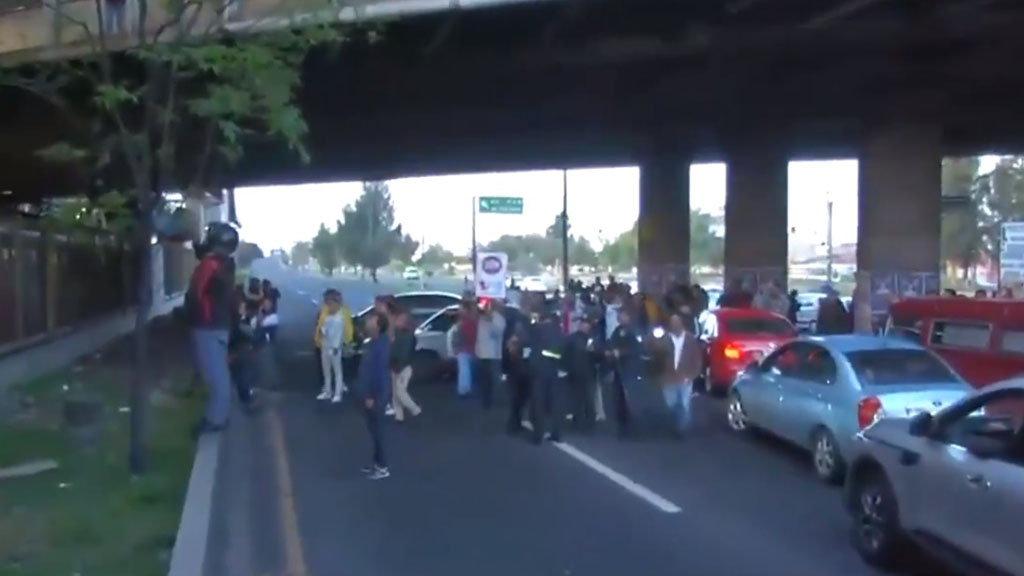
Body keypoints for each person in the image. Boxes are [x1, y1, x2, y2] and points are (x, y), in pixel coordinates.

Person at [185, 222, 239, 436]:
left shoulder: (210, 264)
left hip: (206, 325)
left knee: (216, 377)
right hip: (220, 324)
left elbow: (195, 295)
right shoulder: (227, 264)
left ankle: (214, 420)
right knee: (218, 373)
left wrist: (188, 315)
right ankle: (219, 415)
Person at [524, 295, 567, 444]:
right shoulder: (558, 331)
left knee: (538, 403)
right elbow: (561, 350)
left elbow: (528, 343)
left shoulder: (538, 329)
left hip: (538, 369)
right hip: (553, 369)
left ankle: (538, 435)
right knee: (555, 403)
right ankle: (556, 432)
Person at [358, 312, 392, 480]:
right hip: (370, 393)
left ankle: (382, 466)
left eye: (371, 320)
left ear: (378, 325)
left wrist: (371, 395)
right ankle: (376, 463)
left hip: (375, 394)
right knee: (373, 430)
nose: (367, 322)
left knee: (377, 431)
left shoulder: (380, 346)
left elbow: (378, 373)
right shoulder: (374, 342)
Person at [658, 311, 702, 436]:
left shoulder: (689, 339)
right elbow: (656, 356)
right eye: (672, 322)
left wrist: (691, 375)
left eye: (677, 322)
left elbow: (697, 358)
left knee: (684, 404)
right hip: (668, 378)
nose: (674, 325)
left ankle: (681, 430)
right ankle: (674, 423)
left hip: (685, 377)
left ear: (681, 324)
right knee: (671, 404)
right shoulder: (665, 339)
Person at [606, 306, 642, 439]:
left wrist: (621, 352)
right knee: (619, 400)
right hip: (618, 370)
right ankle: (623, 426)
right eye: (618, 316)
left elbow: (638, 348)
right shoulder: (617, 330)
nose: (619, 318)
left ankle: (634, 429)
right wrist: (609, 352)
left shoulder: (633, 330)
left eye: (621, 316)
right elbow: (611, 343)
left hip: (630, 369)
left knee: (631, 400)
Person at [564, 313, 599, 432]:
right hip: (577, 372)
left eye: (586, 325)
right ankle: (578, 421)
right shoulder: (573, 338)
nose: (585, 327)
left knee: (588, 399)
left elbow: (597, 355)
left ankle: (589, 422)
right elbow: (566, 354)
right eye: (583, 324)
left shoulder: (591, 339)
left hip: (588, 372)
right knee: (577, 399)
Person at [389, 310, 421, 421]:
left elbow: (405, 353)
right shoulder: (398, 334)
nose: (396, 321)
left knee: (400, 391)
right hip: (395, 365)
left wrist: (399, 367)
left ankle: (415, 409)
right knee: (395, 392)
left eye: (399, 320)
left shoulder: (408, 337)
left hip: (403, 367)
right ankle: (399, 416)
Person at [474, 298, 505, 410]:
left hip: (493, 354)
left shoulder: (498, 318)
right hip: (481, 353)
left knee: (493, 379)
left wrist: (490, 320)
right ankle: (485, 401)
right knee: (483, 380)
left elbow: (497, 333)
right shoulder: (480, 317)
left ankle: (496, 401)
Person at [317, 291, 347, 403]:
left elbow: (339, 335)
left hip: (334, 348)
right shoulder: (329, 316)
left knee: (337, 371)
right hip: (325, 345)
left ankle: (338, 393)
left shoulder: (339, 318)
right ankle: (328, 391)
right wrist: (322, 333)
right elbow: (324, 329)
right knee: (326, 371)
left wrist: (336, 347)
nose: (328, 305)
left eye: (329, 302)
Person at [450, 301, 477, 398]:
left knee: (464, 369)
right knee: (466, 369)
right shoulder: (467, 321)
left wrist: (458, 346)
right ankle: (465, 389)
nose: (460, 311)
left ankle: (464, 389)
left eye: (462, 309)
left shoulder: (466, 322)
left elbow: (468, 336)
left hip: (464, 349)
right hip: (466, 349)